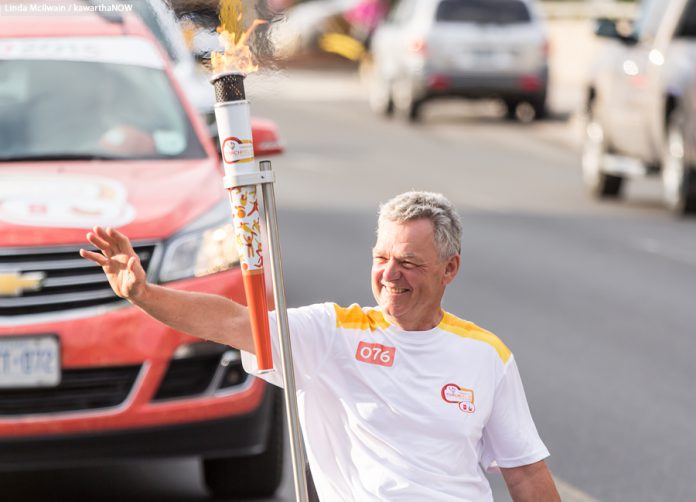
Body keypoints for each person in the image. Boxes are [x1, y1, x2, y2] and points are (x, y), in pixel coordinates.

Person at [80, 191, 560, 501]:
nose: (390, 275)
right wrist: (144, 294)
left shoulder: (485, 354)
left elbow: (524, 474)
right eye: (381, 258)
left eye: (409, 263)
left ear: (449, 269)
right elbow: (231, 322)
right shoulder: (332, 334)